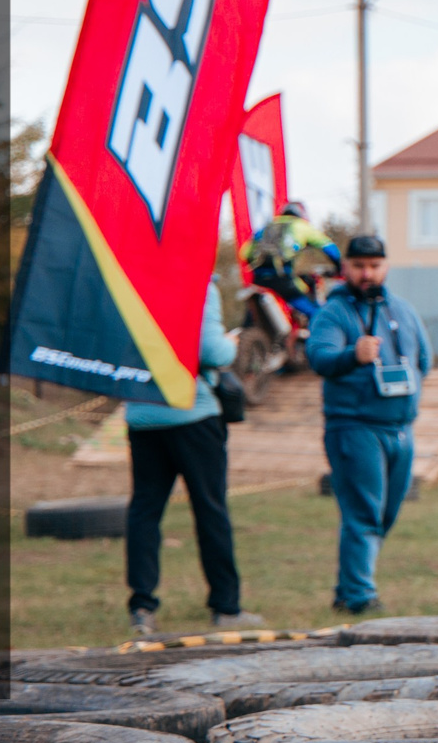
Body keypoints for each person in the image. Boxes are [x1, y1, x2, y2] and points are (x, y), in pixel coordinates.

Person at [122, 282, 257, 634]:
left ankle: (142, 607)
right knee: (210, 509)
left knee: (144, 511)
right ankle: (226, 606)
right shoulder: (197, 283)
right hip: (193, 414)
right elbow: (212, 351)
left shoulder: (130, 281)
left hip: (142, 413)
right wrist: (230, 345)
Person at [309, 235, 431, 615]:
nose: (367, 274)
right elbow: (320, 357)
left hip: (401, 428)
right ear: (346, 267)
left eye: (375, 266)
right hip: (355, 427)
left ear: (386, 267)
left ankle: (347, 590)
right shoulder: (334, 312)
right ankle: (361, 596)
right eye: (359, 266)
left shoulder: (403, 309)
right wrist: (353, 355)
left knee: (386, 513)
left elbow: (424, 360)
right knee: (363, 511)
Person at [249, 200, 338, 325]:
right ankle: (319, 328)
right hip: (282, 278)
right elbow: (329, 247)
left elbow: (245, 253)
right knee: (314, 311)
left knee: (253, 317)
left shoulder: (267, 227)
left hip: (258, 279)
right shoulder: (301, 225)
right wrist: (339, 266)